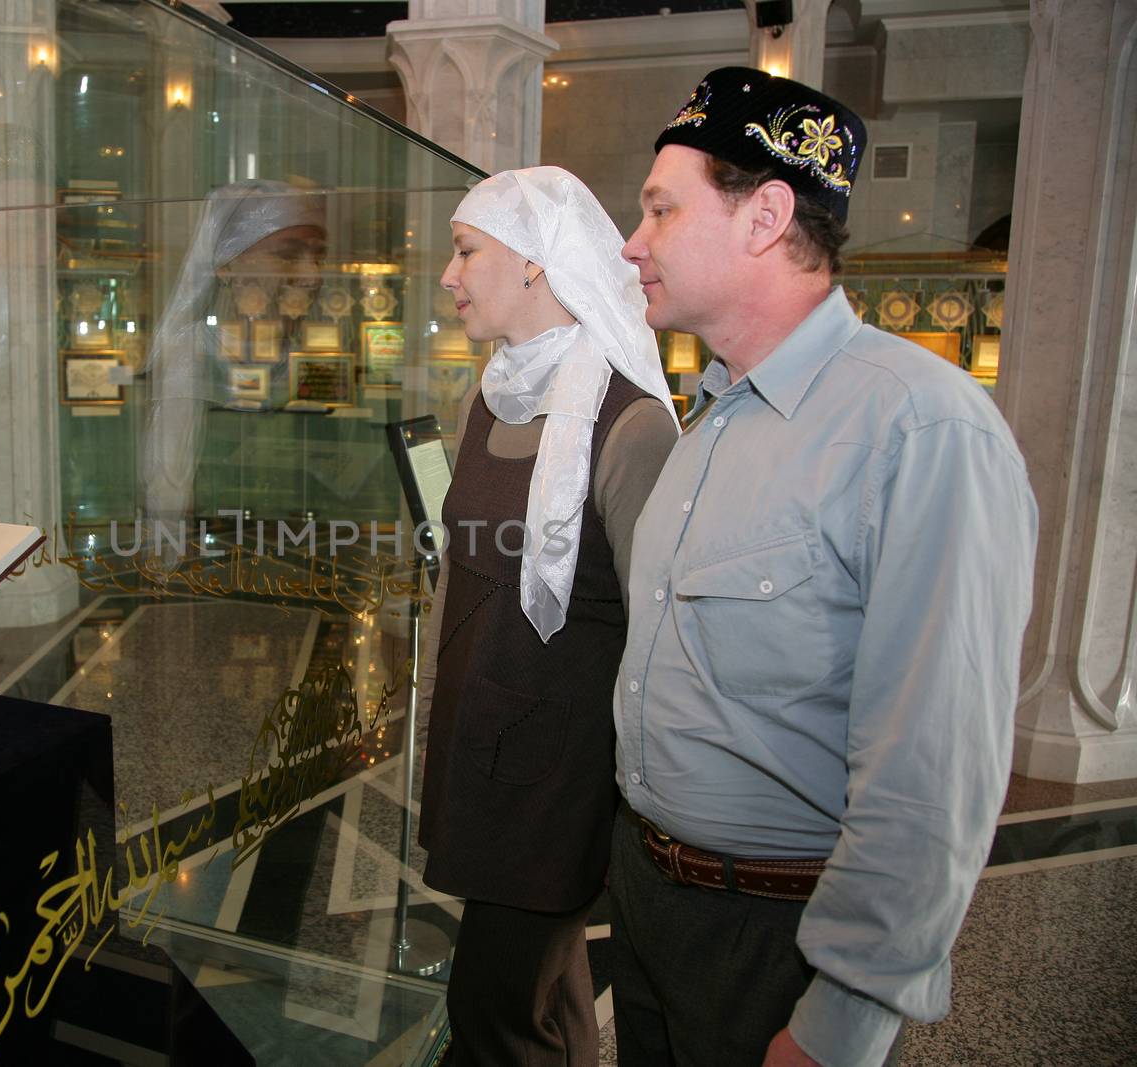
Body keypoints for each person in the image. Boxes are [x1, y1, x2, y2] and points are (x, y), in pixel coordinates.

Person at [607, 67, 1038, 1067]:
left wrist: (843, 1015)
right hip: (650, 903)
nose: (634, 241)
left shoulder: (918, 426)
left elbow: (931, 766)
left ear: (763, 216)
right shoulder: (712, 418)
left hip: (775, 939)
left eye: (661, 209)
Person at [415, 166, 679, 1064]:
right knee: (543, 998)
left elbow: (664, 638)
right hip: (481, 748)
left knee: (491, 1011)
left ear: (535, 262)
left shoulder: (631, 427)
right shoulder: (485, 398)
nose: (449, 276)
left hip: (559, 782)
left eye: (465, 251)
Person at [142, 180, 326, 528]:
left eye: (318, 256)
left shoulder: (306, 352)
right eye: (287, 255)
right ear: (227, 264)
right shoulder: (192, 352)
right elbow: (170, 486)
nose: (311, 275)